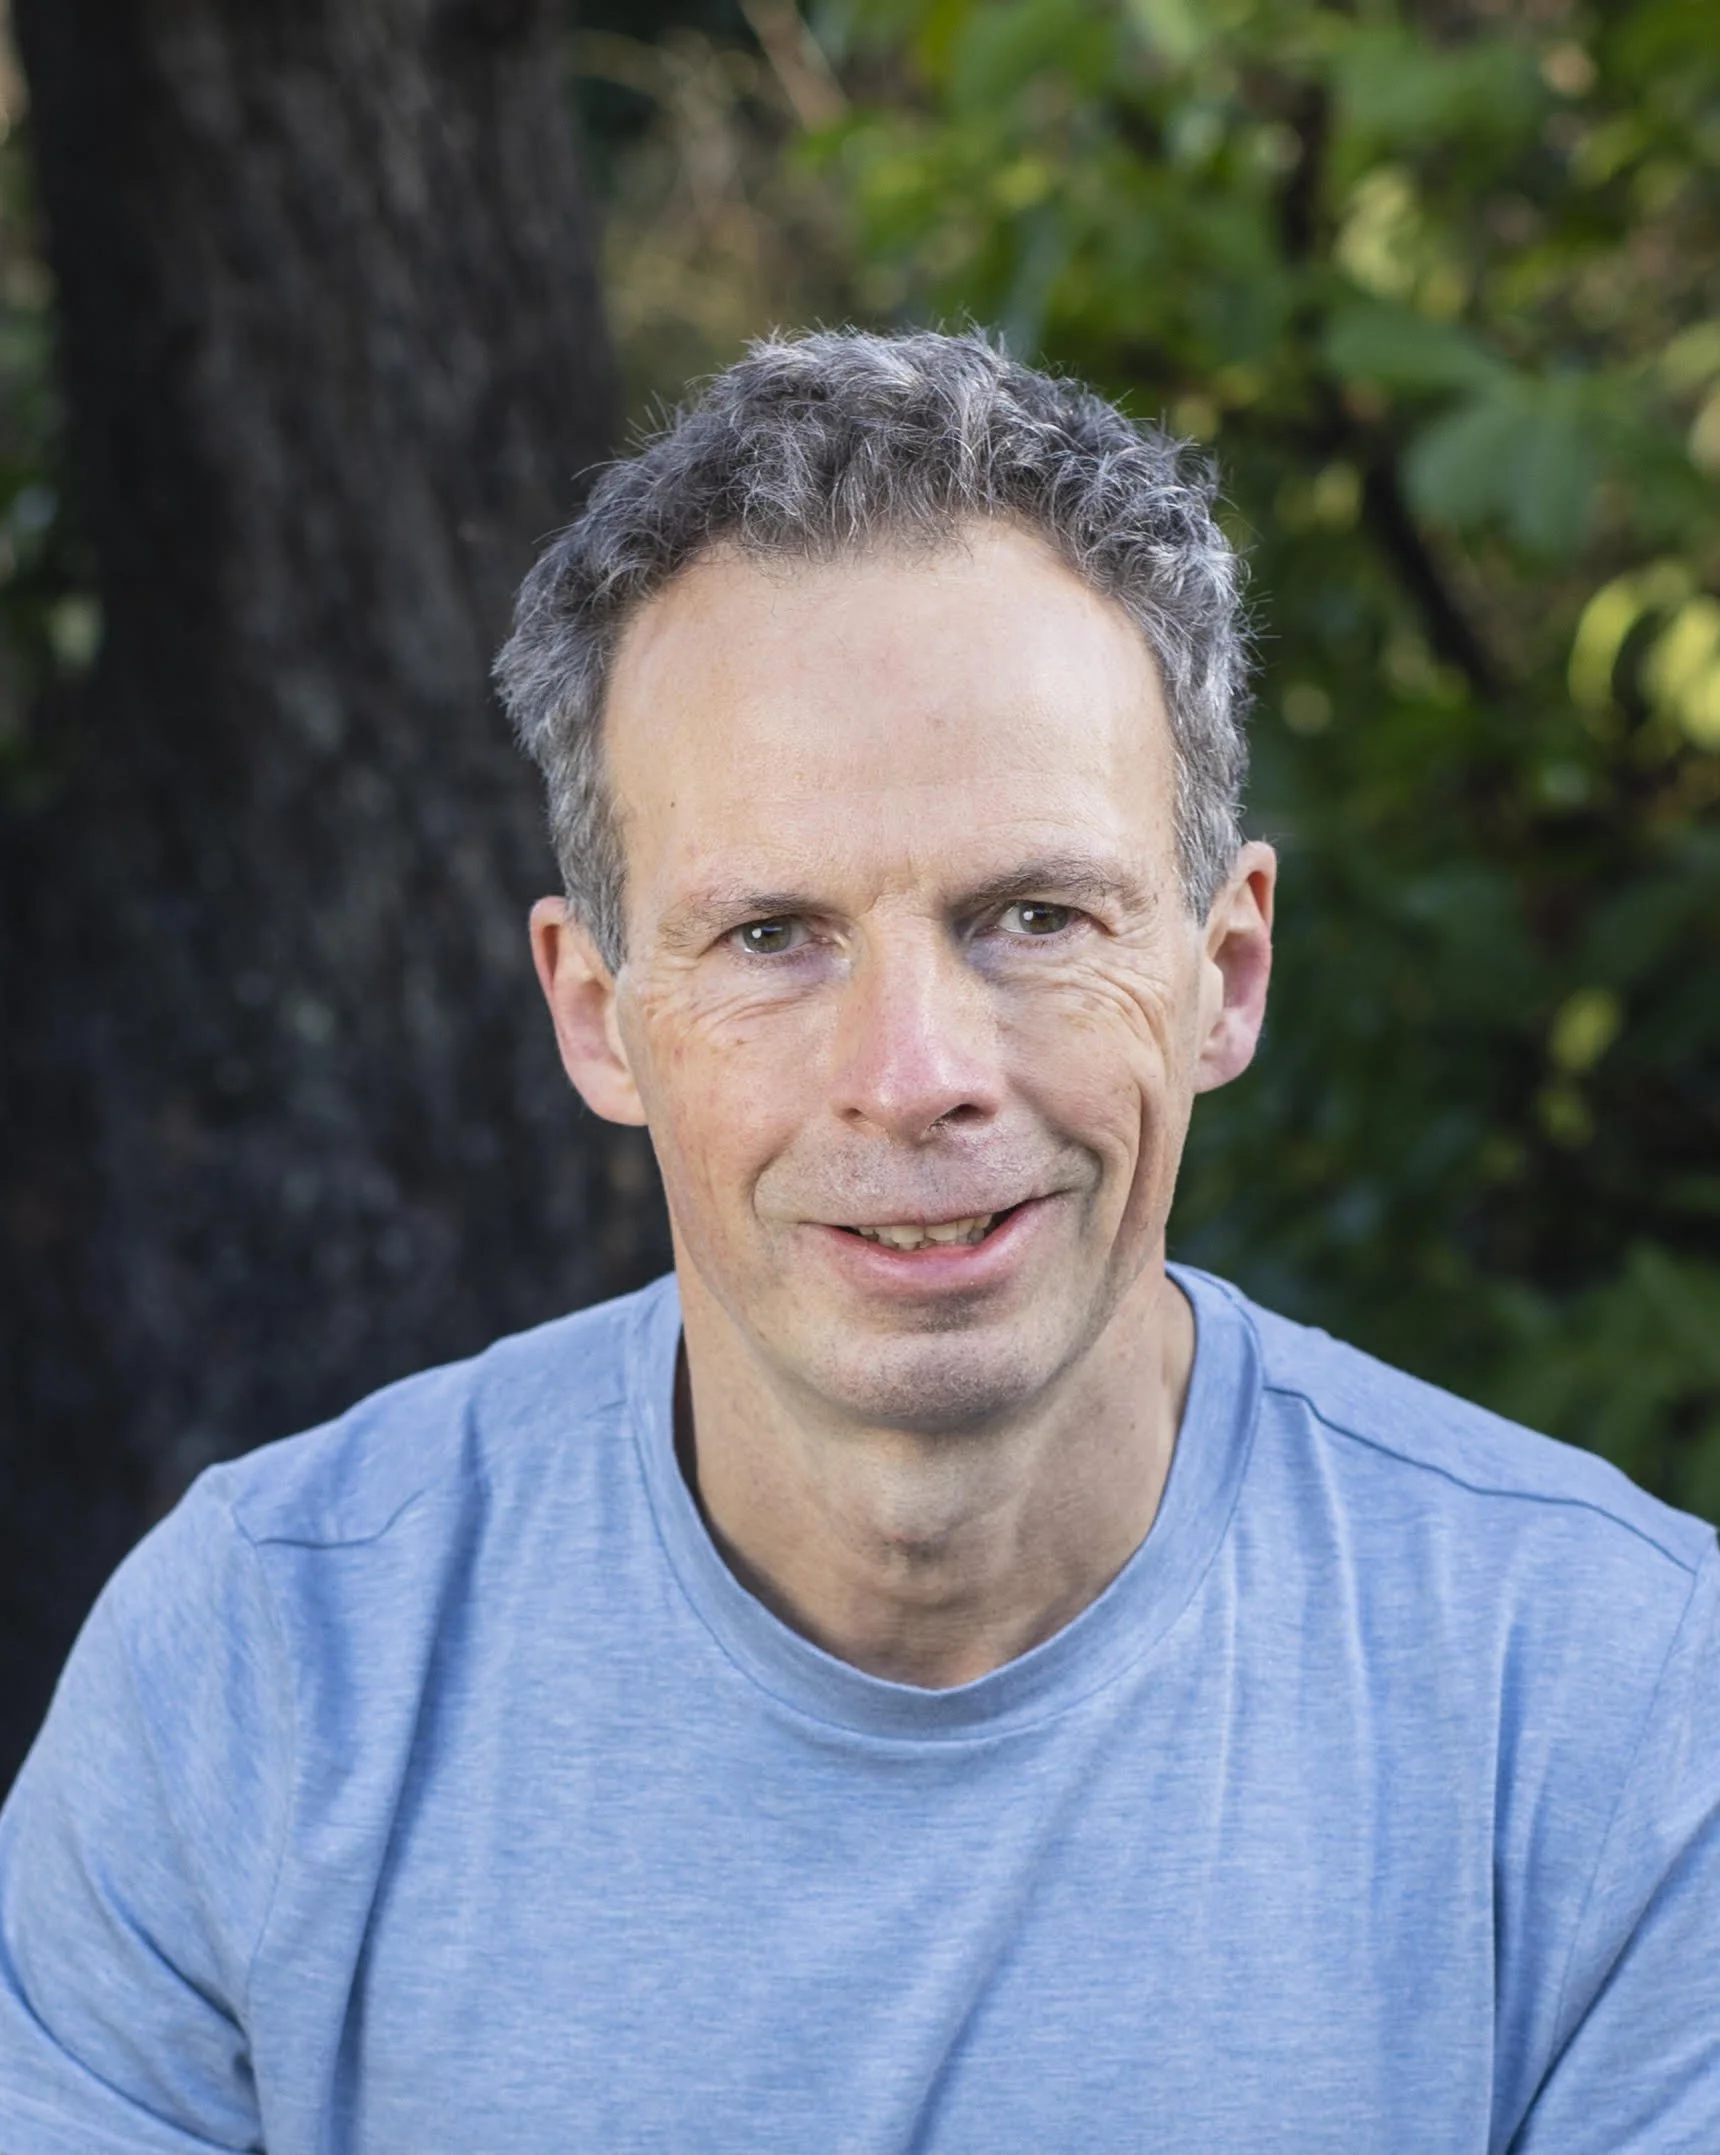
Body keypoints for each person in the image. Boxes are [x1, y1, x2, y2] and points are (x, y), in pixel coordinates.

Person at [0, 329, 1715, 2155]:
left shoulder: (1613, 1709)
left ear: (1224, 973)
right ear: (598, 1016)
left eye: (1034, 915)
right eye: (771, 936)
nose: (913, 1076)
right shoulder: (258, 1673)